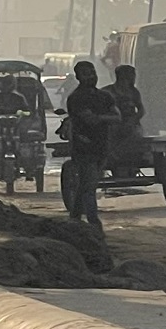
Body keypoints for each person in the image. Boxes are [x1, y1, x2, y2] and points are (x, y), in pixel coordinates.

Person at [65, 61, 121, 235]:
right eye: (86, 73)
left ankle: (74, 217)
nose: (91, 76)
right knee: (89, 185)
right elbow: (91, 119)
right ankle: (93, 222)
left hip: (102, 146)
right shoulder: (75, 98)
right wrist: (105, 117)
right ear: (78, 77)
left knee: (86, 184)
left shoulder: (105, 96)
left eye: (92, 72)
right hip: (83, 146)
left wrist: (99, 117)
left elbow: (117, 117)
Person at [102, 65, 146, 170]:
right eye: (132, 75)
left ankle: (128, 156)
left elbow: (141, 109)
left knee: (135, 135)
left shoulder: (134, 92)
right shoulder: (107, 92)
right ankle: (110, 156)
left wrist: (133, 120)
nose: (134, 78)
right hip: (112, 123)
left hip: (131, 124)